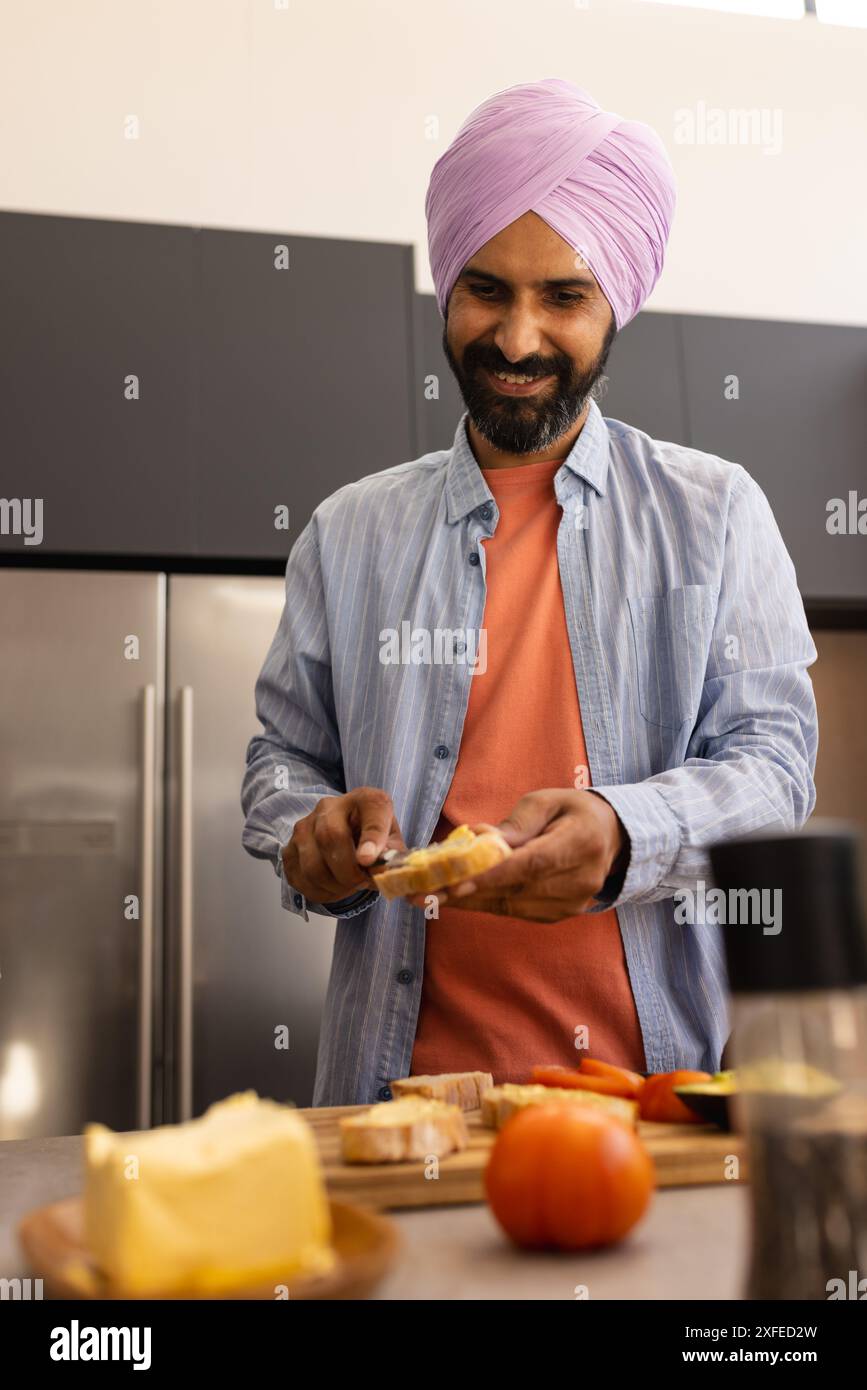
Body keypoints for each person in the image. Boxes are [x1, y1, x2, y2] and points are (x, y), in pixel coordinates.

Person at [241, 78, 818, 1106]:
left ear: (617, 305)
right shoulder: (348, 533)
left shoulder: (716, 513)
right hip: (396, 1114)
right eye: (486, 290)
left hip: (643, 1110)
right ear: (445, 289)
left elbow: (776, 768)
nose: (515, 339)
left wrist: (627, 829)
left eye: (563, 296)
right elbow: (282, 759)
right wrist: (309, 835)